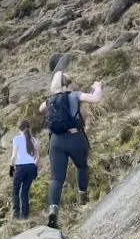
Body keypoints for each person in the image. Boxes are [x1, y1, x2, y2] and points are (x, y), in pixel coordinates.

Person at [39, 72, 103, 229]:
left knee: (56, 179)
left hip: (56, 141)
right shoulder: (75, 95)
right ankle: (82, 197)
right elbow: (95, 99)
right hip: (75, 138)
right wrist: (98, 87)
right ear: (69, 83)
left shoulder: (49, 100)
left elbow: (41, 109)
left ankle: (53, 210)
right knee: (81, 166)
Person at [9, 119, 39, 220]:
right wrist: (35, 169)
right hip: (31, 167)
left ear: (19, 129)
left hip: (20, 167)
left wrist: (11, 167)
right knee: (25, 192)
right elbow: (37, 158)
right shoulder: (33, 140)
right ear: (28, 128)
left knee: (15, 190)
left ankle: (16, 215)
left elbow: (13, 156)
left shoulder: (16, 139)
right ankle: (25, 216)